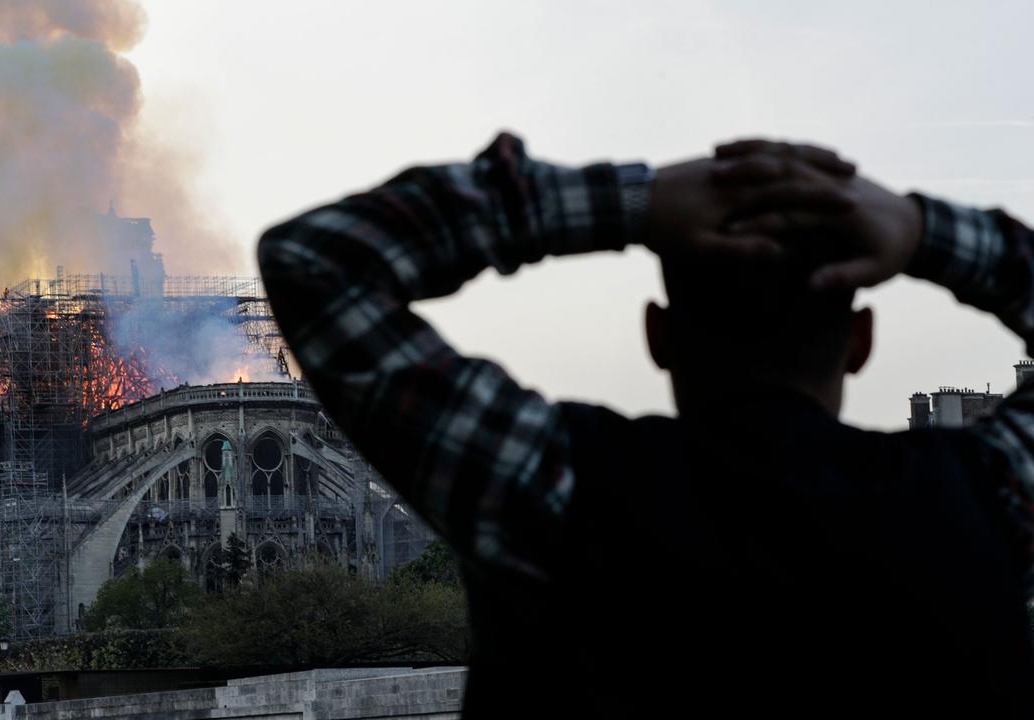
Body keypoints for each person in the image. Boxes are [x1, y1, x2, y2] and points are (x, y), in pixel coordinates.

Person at [257, 133, 1034, 716]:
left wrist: (634, 202)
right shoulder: (987, 497)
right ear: (861, 342)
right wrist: (921, 230)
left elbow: (317, 258)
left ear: (656, 333)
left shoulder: (548, 484)